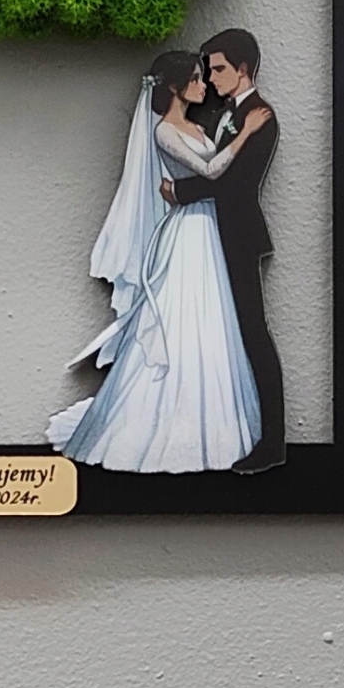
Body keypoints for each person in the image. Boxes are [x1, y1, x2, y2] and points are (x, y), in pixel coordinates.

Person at [46, 52, 268, 474]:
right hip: (189, 233)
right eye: (196, 80)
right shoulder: (165, 131)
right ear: (175, 88)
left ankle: (215, 425)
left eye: (204, 77)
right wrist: (246, 133)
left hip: (208, 229)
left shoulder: (196, 127)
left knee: (212, 320)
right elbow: (211, 170)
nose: (203, 86)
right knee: (183, 316)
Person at [160, 29, 285, 472]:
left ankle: (272, 441)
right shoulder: (219, 114)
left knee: (252, 332)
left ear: (243, 69)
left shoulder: (261, 117)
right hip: (208, 239)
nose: (211, 79)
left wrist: (180, 192)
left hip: (237, 234)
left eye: (218, 69)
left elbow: (235, 183)